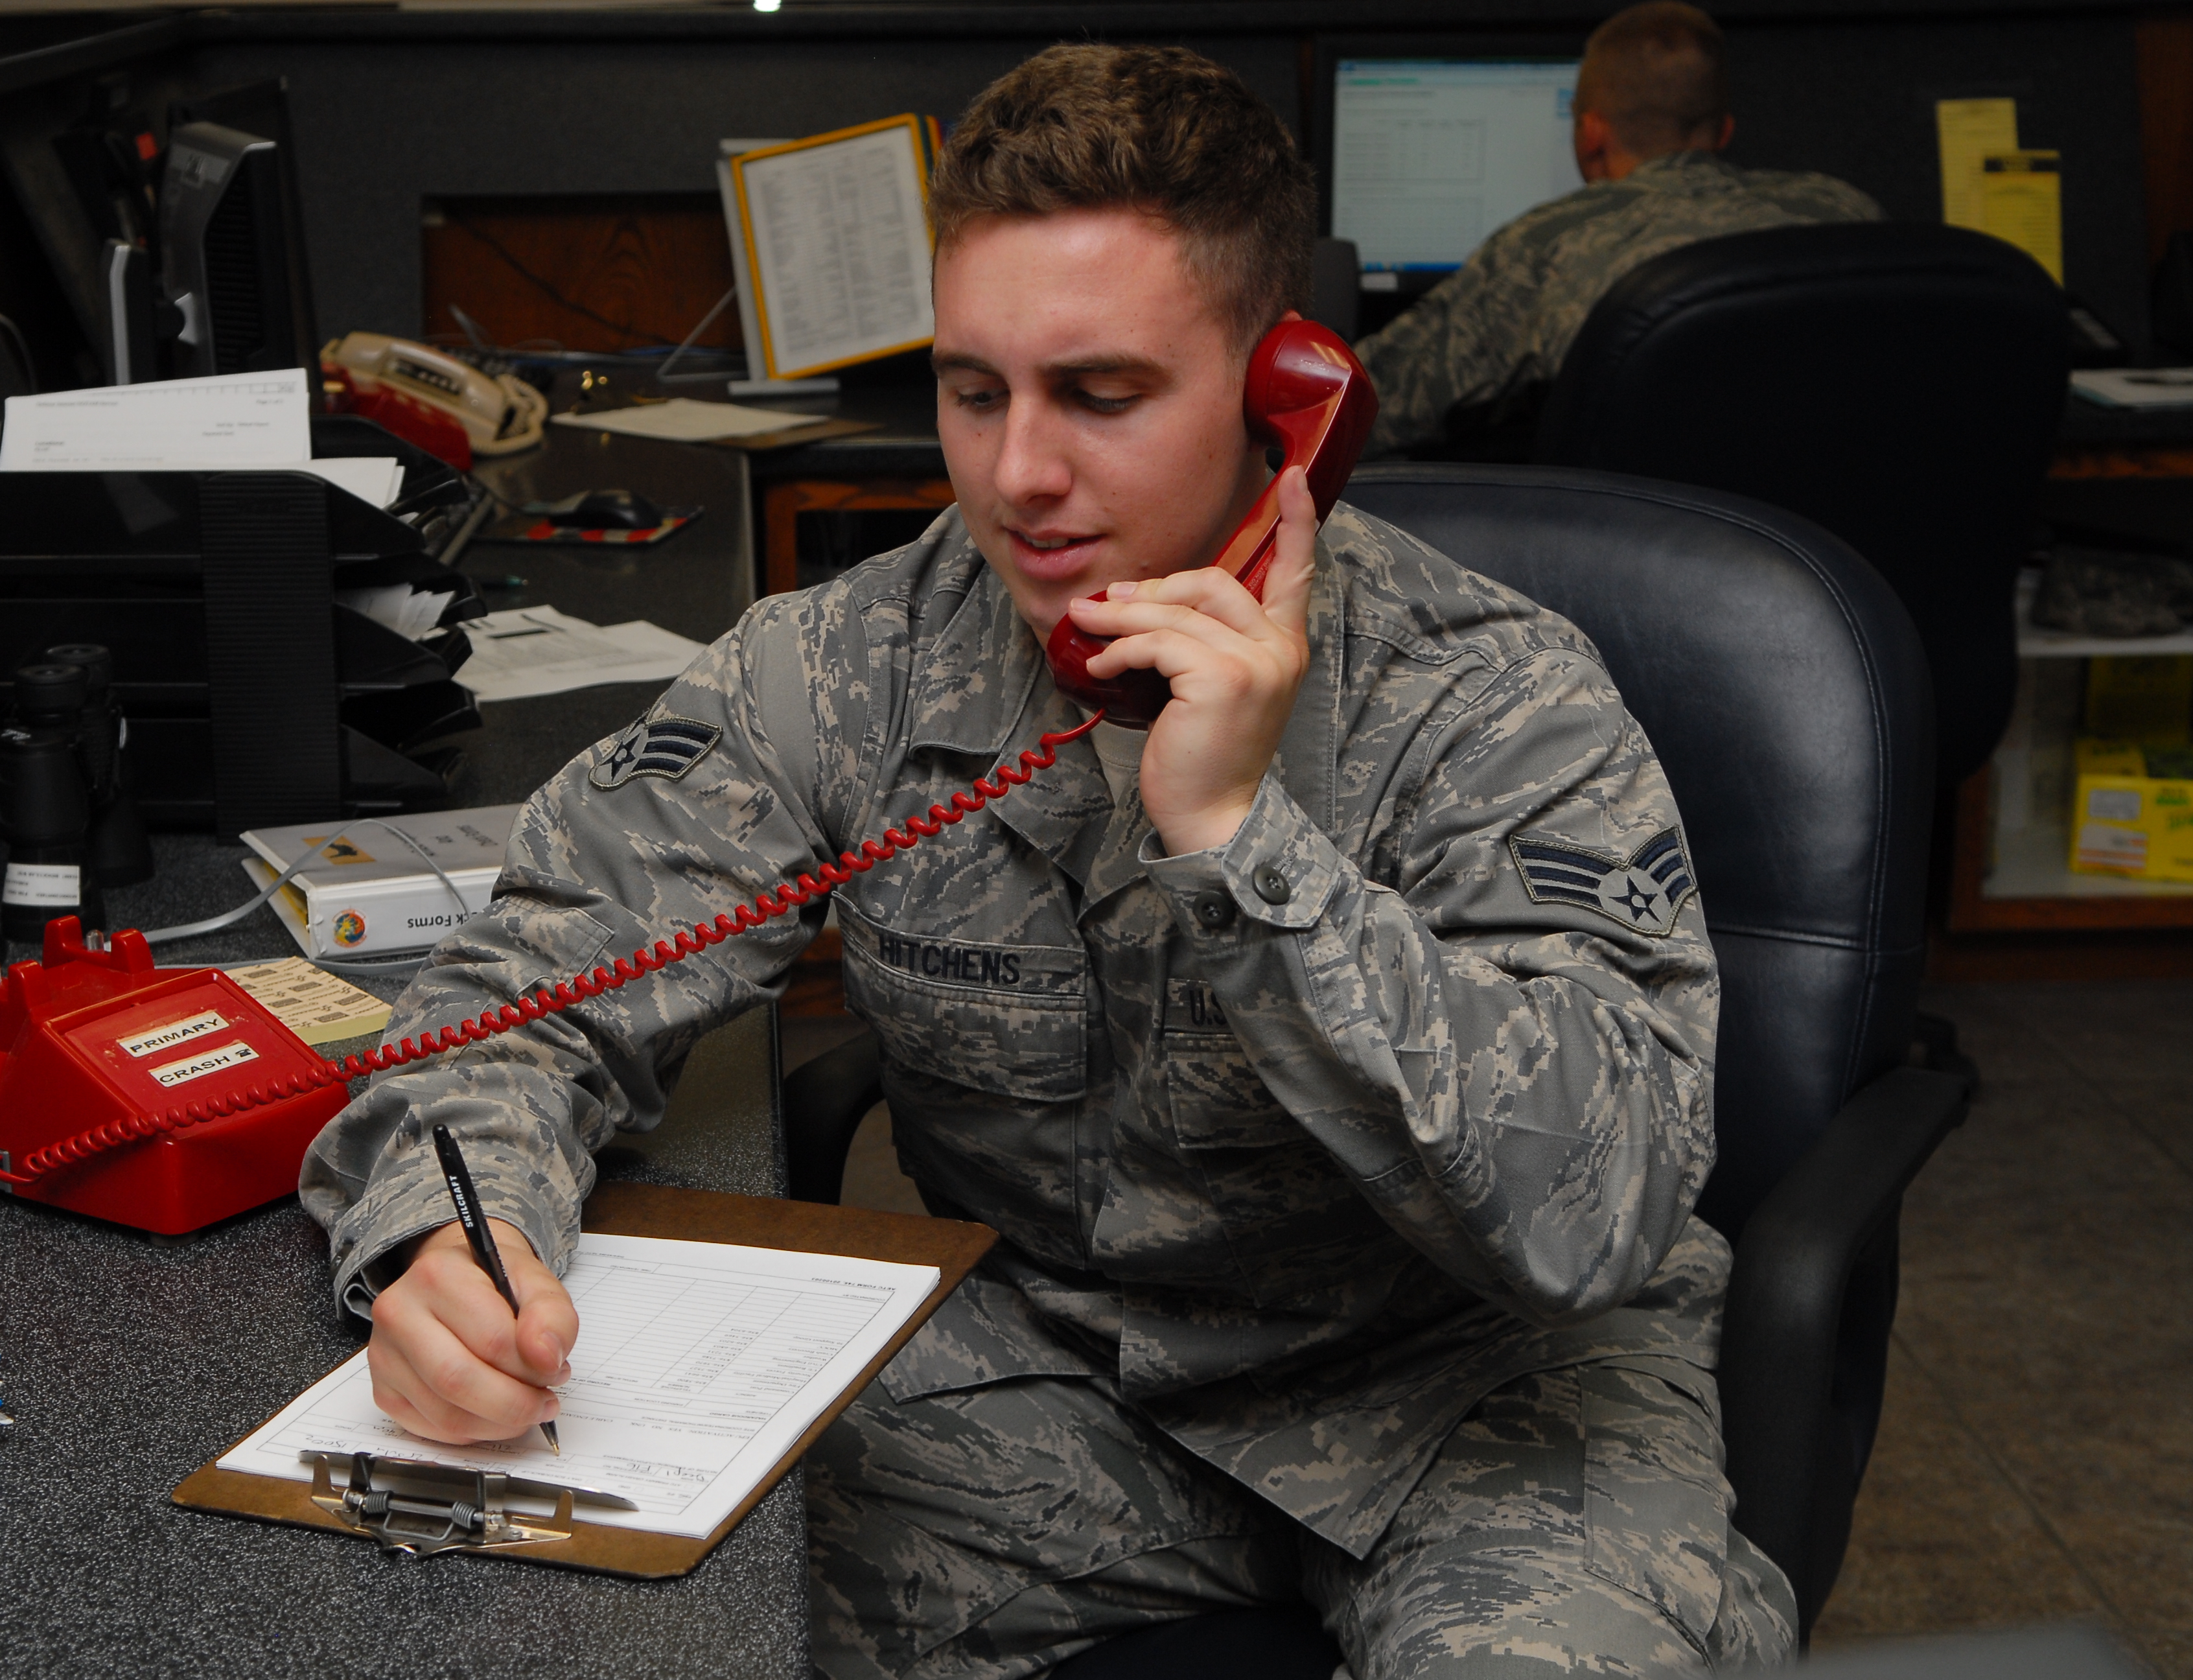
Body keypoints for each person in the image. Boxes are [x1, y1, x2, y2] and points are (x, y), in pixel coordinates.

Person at [301, 41, 1794, 1679]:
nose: (1017, 476)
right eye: (971, 389)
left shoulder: (1493, 694)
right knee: (536, 1577)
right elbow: (523, 989)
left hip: (1471, 1403)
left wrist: (1238, 840)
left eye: (1101, 394)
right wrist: (459, 1240)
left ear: (1288, 389)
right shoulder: (848, 667)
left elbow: (1600, 1212)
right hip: (1061, 1388)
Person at [1355, 1, 1882, 458]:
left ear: (1592, 136)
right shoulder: (1849, 211)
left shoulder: (1545, 248)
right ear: (1722, 132)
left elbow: (1362, 406)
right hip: (1856, 550)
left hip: (1646, 555)